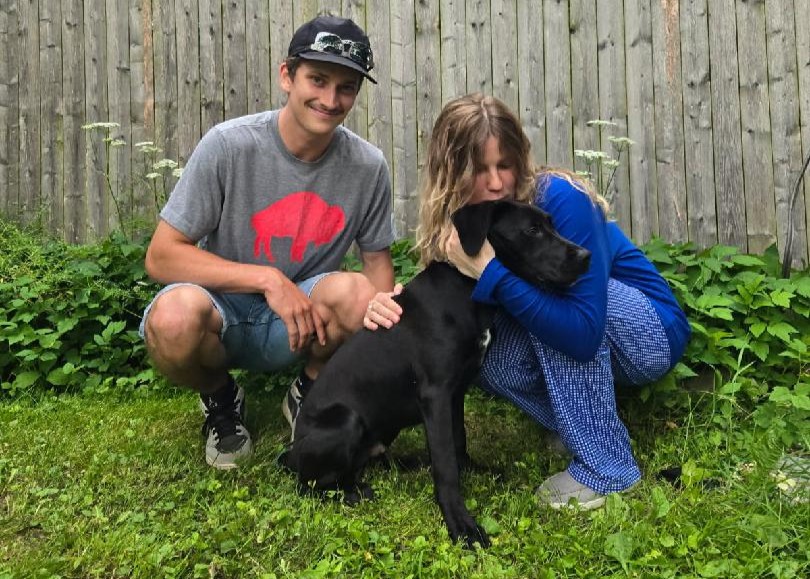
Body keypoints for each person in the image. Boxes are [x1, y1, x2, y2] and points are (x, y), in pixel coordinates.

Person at [366, 93, 690, 510]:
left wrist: (491, 273)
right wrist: (390, 304)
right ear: (452, 173)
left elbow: (583, 332)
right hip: (592, 327)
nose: (496, 182)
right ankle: (580, 429)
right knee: (482, 349)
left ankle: (608, 466)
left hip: (648, 330)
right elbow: (444, 313)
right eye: (479, 169)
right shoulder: (467, 222)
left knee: (553, 300)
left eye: (504, 164)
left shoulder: (559, 197)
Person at [140, 16, 395, 470]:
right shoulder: (227, 145)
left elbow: (377, 265)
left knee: (364, 297)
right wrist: (267, 279)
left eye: (346, 88)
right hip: (222, 309)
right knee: (172, 320)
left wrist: (384, 334)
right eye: (317, 79)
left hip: (306, 320)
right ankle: (221, 399)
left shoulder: (369, 166)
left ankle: (312, 392)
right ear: (286, 76)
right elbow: (161, 256)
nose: (330, 100)